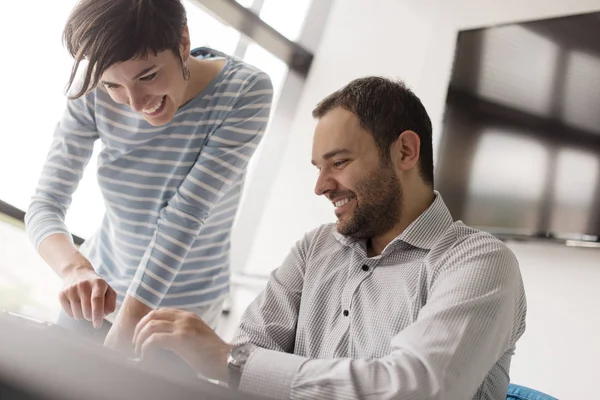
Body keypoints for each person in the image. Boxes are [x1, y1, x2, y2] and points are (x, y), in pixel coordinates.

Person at [130, 76, 527, 400]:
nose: (321, 186)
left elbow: (418, 389)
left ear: (405, 152)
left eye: (339, 163)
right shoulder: (313, 249)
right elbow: (252, 357)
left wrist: (230, 361)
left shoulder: (480, 262)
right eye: (319, 167)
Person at [24, 0, 273, 351]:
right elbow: (45, 203)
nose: (136, 103)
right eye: (114, 87)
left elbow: (183, 218)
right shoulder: (93, 85)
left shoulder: (244, 92)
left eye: (149, 76)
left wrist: (119, 343)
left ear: (183, 42)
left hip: (182, 316)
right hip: (98, 296)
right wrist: (74, 270)